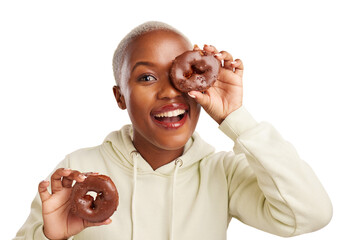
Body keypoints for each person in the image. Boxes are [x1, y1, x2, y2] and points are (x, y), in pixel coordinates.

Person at [14, 21, 332, 240]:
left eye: (178, 75)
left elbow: (311, 214)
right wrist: (48, 236)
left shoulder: (223, 173)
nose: (169, 92)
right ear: (120, 97)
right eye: (147, 78)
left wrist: (236, 118)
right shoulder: (78, 172)